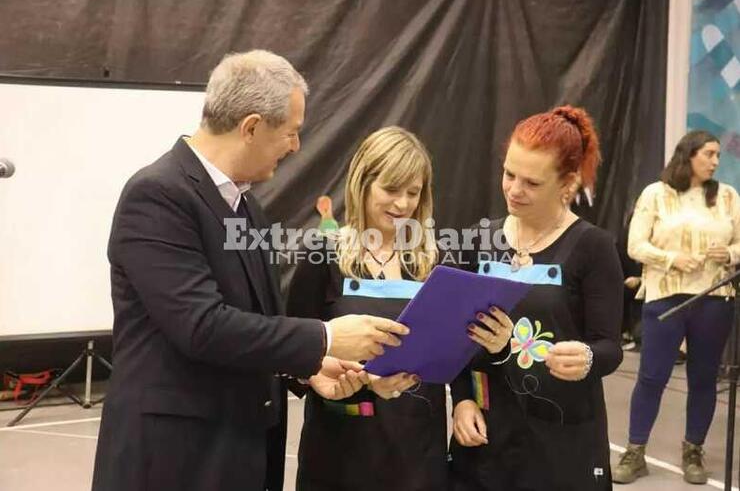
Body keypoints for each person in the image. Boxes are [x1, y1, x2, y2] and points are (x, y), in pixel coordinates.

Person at [91, 50, 410, 491]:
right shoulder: (157, 195)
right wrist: (328, 337)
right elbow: (201, 326)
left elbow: (257, 324)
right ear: (252, 127)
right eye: (292, 132)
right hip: (174, 459)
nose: (296, 146)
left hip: (237, 454)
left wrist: (312, 368)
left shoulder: (247, 207)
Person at [287, 126, 501, 490]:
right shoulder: (323, 256)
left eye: (412, 192)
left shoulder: (438, 262)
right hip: (340, 447)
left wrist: (466, 401)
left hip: (417, 445)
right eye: (390, 189)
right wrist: (324, 375)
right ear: (361, 183)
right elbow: (292, 351)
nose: (402, 204)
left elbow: (461, 351)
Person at [448, 105, 624, 491]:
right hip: (488, 436)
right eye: (509, 174)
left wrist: (589, 357)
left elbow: (610, 347)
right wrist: (461, 402)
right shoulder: (479, 241)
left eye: (531, 182)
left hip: (561, 437)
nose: (514, 189)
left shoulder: (593, 248)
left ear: (568, 184)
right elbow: (458, 341)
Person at [613, 130, 740, 485]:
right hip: (665, 297)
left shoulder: (729, 197)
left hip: (714, 299)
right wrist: (670, 259)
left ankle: (693, 452)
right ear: (689, 155)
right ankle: (635, 451)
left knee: (703, 378)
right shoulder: (655, 194)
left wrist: (729, 253)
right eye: (709, 154)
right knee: (652, 376)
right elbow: (635, 245)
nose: (716, 161)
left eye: (718, 155)